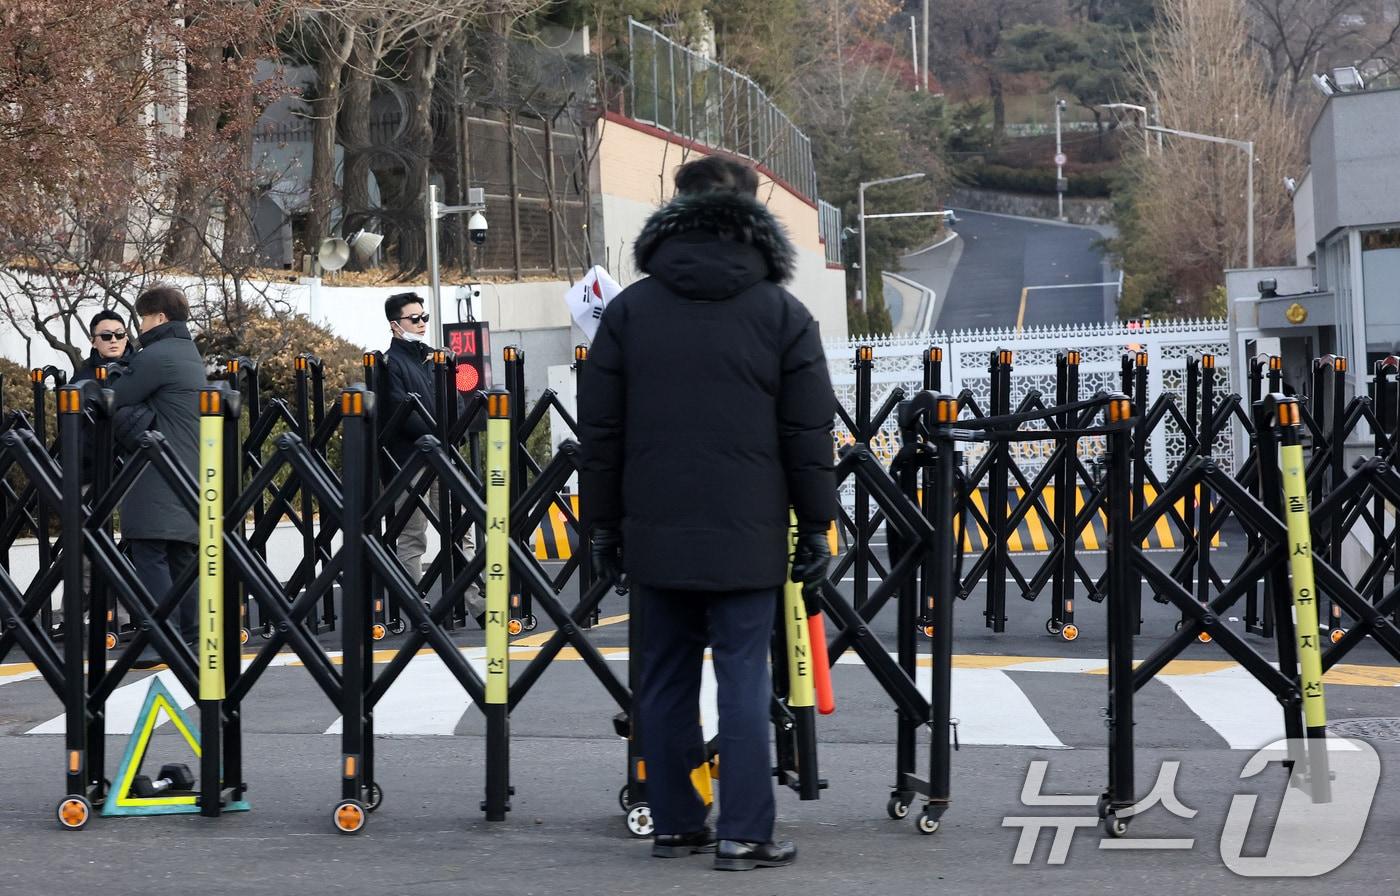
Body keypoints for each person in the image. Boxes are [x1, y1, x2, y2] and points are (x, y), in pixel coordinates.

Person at [578, 155, 838, 871]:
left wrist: (602, 525)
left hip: (654, 526)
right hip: (749, 531)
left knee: (661, 681)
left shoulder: (631, 310)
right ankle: (746, 832)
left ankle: (676, 823)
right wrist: (815, 525)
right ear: (755, 215)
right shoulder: (782, 313)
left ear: (674, 210)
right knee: (744, 679)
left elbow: (600, 432)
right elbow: (808, 434)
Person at [110, 284, 207, 666]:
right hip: (190, 466)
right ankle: (194, 638)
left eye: (143, 318)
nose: (139, 327)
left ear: (160, 318)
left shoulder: (156, 355)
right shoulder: (187, 351)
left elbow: (115, 397)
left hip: (159, 467)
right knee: (182, 555)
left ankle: (162, 638)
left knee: (150, 553)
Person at [381, 292, 483, 625]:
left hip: (443, 456)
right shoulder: (389, 364)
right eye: (415, 319)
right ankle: (416, 608)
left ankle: (478, 605)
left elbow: (454, 400)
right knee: (413, 535)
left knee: (461, 530)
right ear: (396, 325)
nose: (423, 323)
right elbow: (401, 413)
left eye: (424, 317)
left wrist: (453, 436)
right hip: (410, 461)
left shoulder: (434, 359)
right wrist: (440, 437)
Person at [72, 309, 134, 382]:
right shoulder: (82, 378)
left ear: (126, 338)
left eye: (119, 334)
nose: (113, 340)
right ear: (93, 342)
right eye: (106, 335)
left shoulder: (143, 365)